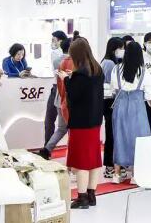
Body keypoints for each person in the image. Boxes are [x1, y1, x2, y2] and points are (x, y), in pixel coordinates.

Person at [59, 38, 105, 210]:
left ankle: (82, 197)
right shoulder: (97, 70)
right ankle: (91, 194)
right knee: (93, 158)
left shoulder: (80, 75)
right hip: (95, 120)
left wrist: (66, 79)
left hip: (81, 122)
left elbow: (74, 94)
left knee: (81, 161)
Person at [111, 41, 151, 183]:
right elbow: (149, 96)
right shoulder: (144, 71)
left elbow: (113, 89)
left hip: (120, 106)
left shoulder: (116, 69)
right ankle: (135, 175)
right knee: (139, 139)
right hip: (137, 106)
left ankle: (117, 174)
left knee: (119, 137)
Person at [39, 38, 73, 160]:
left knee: (61, 127)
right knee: (71, 128)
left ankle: (46, 149)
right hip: (68, 97)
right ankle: (71, 156)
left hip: (58, 95)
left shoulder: (57, 60)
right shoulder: (73, 61)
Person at [101, 37, 126, 181]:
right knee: (112, 134)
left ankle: (111, 165)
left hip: (108, 101)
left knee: (111, 133)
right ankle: (110, 165)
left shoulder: (106, 61)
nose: (122, 51)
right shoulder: (110, 63)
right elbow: (112, 84)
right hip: (110, 101)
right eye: (120, 48)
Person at [43, 31, 69, 145]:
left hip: (64, 89)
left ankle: (47, 148)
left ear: (61, 41)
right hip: (56, 88)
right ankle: (47, 147)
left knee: (62, 124)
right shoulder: (55, 54)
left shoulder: (60, 56)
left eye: (54, 40)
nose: (52, 43)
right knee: (50, 120)